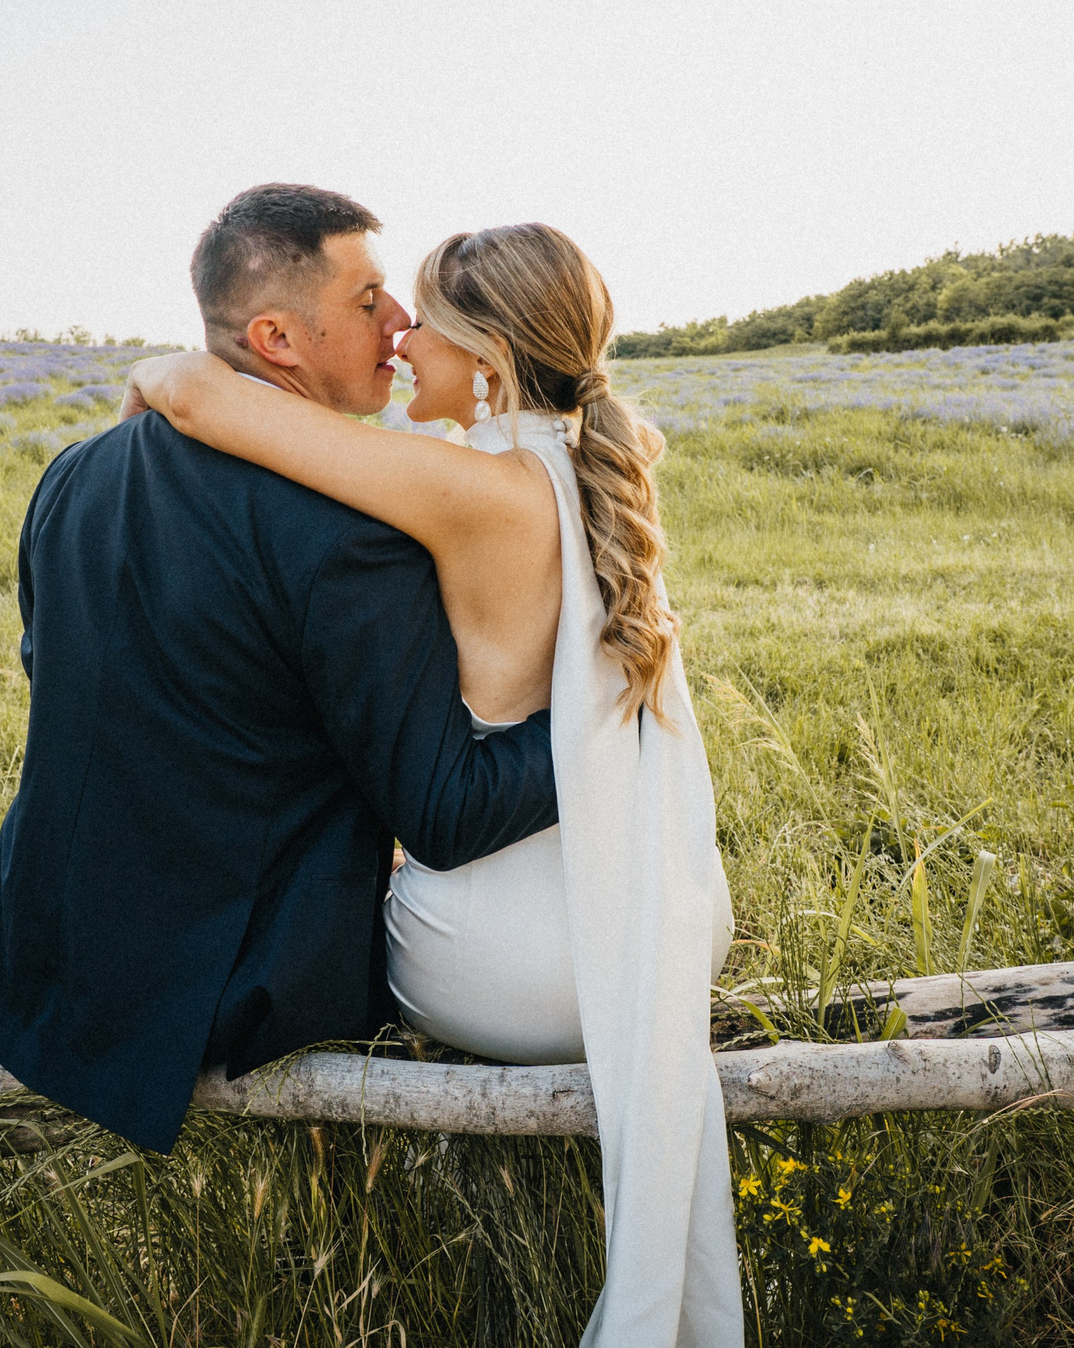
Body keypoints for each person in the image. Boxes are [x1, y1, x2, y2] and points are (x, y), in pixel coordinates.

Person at [122, 219, 742, 1348]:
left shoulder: (474, 487)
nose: (401, 342)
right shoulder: (591, 473)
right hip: (665, 926)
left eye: (423, 322)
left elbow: (211, 404)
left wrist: (155, 369)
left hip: (510, 979)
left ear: (491, 359)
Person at [0, 184, 561, 1155]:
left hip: (41, 955)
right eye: (368, 301)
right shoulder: (358, 539)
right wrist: (612, 724)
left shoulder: (73, 472)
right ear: (278, 338)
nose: (400, 323)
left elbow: (52, 668)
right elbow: (444, 814)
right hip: (231, 994)